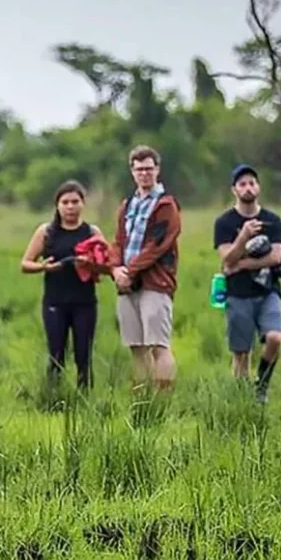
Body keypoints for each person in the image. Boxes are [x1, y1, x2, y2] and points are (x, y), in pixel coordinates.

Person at [20, 180, 110, 390]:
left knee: (83, 355)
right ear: (57, 205)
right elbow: (25, 264)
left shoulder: (92, 232)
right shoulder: (46, 232)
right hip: (55, 302)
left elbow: (108, 266)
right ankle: (52, 397)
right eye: (65, 202)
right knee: (56, 353)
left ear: (83, 204)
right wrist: (44, 267)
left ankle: (84, 397)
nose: (70, 207)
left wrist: (91, 265)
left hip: (84, 302)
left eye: (75, 202)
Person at [108, 145, 181, 390]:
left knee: (159, 344)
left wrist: (130, 270)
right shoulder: (127, 204)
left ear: (157, 170)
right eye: (139, 169)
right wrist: (115, 269)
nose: (144, 174)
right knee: (136, 346)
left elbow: (158, 244)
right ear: (132, 172)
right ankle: (142, 398)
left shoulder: (166, 205)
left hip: (155, 282)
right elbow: (118, 240)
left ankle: (163, 399)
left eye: (149, 169)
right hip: (127, 285)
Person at [214, 164, 281, 403]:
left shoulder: (272, 220)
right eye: (242, 184)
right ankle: (242, 402)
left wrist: (242, 265)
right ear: (234, 190)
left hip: (268, 291)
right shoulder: (224, 222)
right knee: (241, 354)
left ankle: (262, 384)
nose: (248, 188)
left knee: (275, 338)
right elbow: (226, 258)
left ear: (259, 187)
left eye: (252, 183)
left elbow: (276, 257)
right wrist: (244, 236)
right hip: (238, 294)